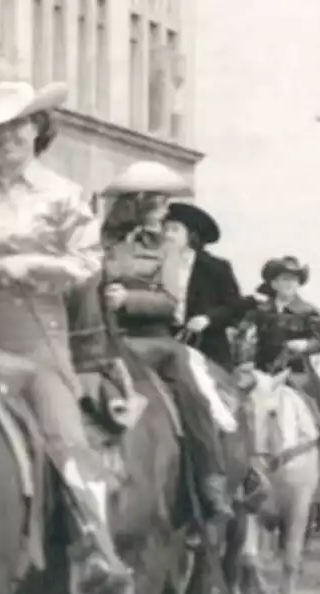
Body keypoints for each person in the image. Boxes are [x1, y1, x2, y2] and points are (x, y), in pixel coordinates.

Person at [0, 62, 130, 594]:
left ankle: (97, 547)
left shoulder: (65, 195)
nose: (9, 136)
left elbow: (87, 263)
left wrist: (30, 266)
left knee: (64, 433)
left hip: (35, 337)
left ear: (38, 129)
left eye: (19, 126)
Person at [99, 161, 238, 520]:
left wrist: (126, 300)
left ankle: (210, 476)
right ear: (139, 204)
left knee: (191, 391)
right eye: (159, 204)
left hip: (152, 339)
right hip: (104, 337)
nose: (164, 213)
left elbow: (170, 300)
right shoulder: (101, 244)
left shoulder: (165, 249)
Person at [247, 256, 320, 482]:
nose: (289, 284)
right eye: (284, 279)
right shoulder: (262, 311)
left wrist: (305, 345)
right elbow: (251, 339)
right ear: (273, 284)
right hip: (263, 373)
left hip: (297, 372)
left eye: (293, 280)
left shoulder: (306, 310)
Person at [159, 201, 244, 370]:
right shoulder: (157, 265)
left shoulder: (215, 267)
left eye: (175, 229)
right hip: (167, 346)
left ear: (191, 235)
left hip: (207, 348)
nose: (168, 234)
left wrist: (208, 319)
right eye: (165, 229)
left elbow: (235, 307)